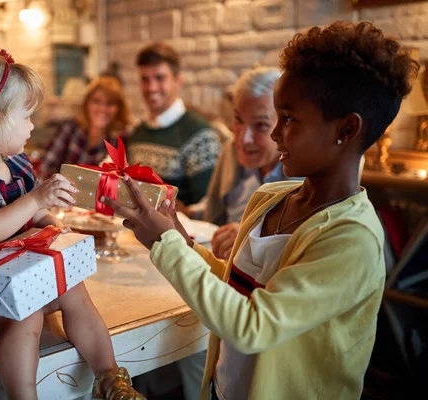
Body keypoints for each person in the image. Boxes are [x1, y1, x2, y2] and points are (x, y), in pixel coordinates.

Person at [99, 21, 417, 399]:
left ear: (346, 130)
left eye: (288, 118)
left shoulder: (351, 237)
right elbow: (239, 286)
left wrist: (166, 244)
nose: (274, 134)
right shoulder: (271, 198)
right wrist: (182, 243)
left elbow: (253, 326)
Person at [0, 47, 146, 400]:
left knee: (75, 288)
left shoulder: (16, 164)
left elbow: (33, 215)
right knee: (29, 315)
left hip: (17, 271)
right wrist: (35, 199)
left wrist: (51, 222)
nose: (33, 126)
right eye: (27, 116)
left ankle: (110, 379)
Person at [204, 67, 292, 260]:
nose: (243, 139)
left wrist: (249, 236)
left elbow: (301, 242)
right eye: (238, 120)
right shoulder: (230, 151)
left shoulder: (301, 169)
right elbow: (211, 217)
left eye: (260, 125)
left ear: (285, 125)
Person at [127, 42, 221, 208]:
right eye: (145, 79)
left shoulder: (201, 136)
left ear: (178, 80)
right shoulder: (137, 133)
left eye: (160, 78)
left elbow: (209, 208)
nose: (151, 87)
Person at [38, 76, 131, 178]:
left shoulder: (120, 141)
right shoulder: (69, 129)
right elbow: (45, 166)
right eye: (96, 101)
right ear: (86, 103)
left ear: (119, 108)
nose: (102, 109)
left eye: (109, 104)